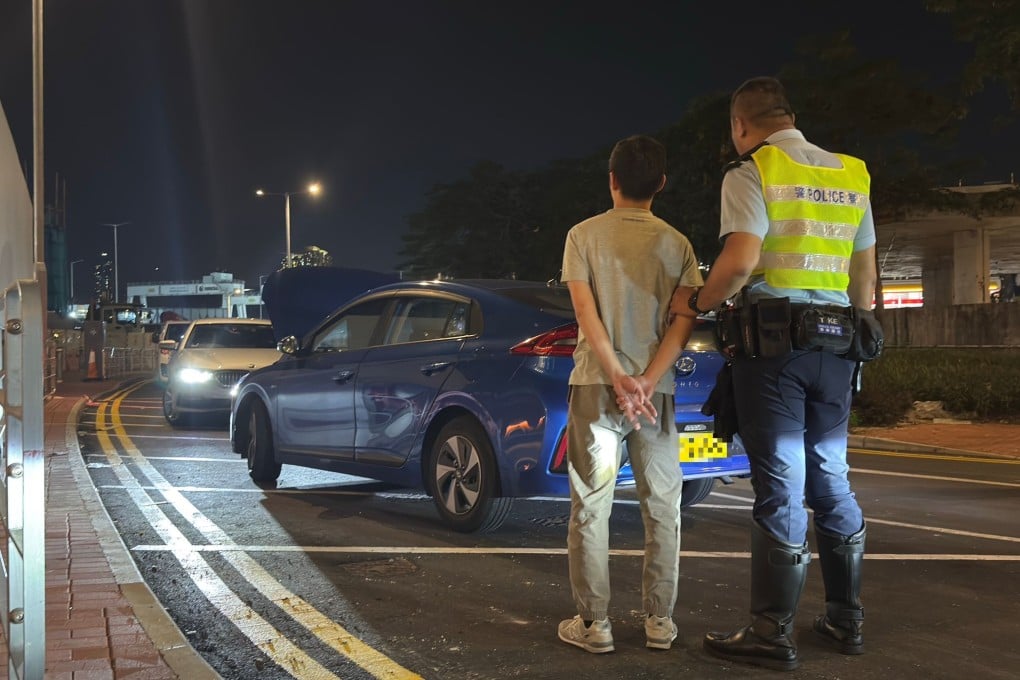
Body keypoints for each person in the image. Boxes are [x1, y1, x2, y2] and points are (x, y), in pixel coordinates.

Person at [671, 77, 877, 671]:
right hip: (837, 347)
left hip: (773, 350)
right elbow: (863, 280)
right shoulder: (852, 174)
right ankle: (845, 620)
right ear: (790, 114)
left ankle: (771, 632)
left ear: (741, 125)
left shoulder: (752, 171)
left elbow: (739, 261)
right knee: (832, 479)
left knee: (781, 484)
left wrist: (700, 305)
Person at [557, 134, 703, 654]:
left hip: (596, 388)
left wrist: (617, 374)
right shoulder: (679, 244)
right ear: (660, 184)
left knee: (591, 506)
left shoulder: (582, 236)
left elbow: (585, 313)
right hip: (655, 395)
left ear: (612, 180)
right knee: (663, 506)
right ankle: (660, 622)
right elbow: (684, 320)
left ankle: (595, 626)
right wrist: (644, 379)